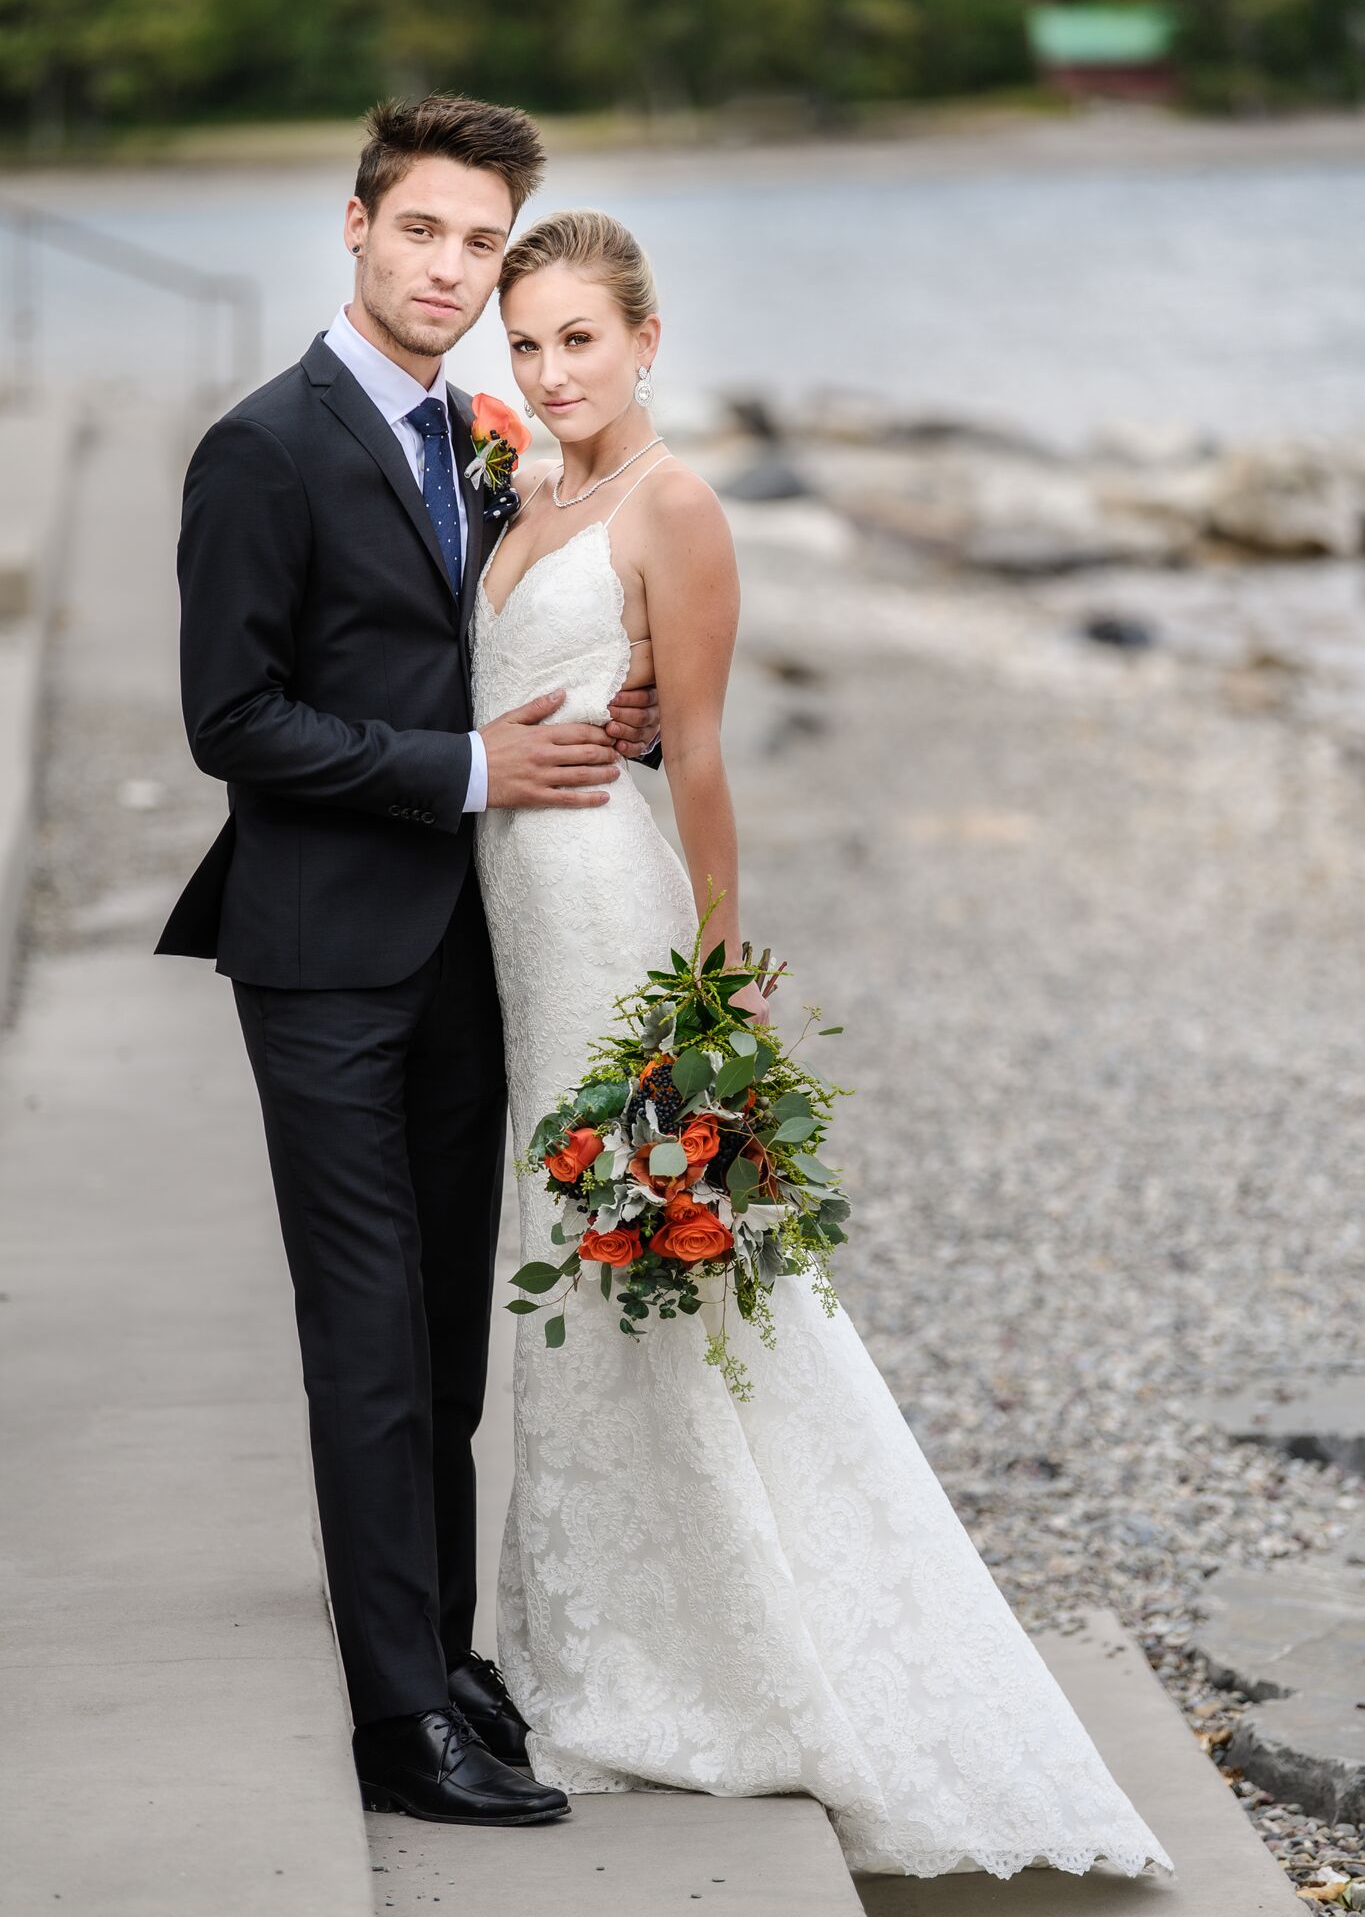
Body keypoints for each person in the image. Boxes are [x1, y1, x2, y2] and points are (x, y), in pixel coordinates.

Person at [473, 209, 1177, 1882]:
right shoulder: (524, 494)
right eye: (529, 343)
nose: (554, 369)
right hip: (513, 908)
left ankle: (737, 1663)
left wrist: (716, 1001)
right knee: (571, 1270)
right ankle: (603, 1649)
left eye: (582, 337)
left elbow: (700, 758)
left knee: (657, 1258)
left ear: (648, 339)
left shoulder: (676, 505)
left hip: (611, 923)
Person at [156, 95, 665, 1828]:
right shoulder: (263, 446)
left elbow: (483, 647)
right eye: (423, 232)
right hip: (320, 961)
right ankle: (396, 1729)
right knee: (367, 1343)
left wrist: (608, 715)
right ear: (356, 228)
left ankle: (438, 1656)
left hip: (471, 944)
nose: (449, 268)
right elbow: (233, 721)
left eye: (478, 240)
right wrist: (464, 770)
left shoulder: (477, 431)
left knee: (447, 1342)